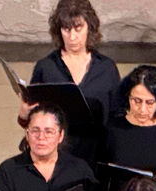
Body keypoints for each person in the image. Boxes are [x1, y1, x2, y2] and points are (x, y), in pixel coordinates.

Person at [19, 0, 121, 167]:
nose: (72, 37)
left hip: (96, 156)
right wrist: (24, 115)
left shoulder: (106, 68)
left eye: (78, 28)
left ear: (90, 27)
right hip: (57, 157)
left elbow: (116, 118)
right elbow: (34, 119)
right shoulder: (46, 67)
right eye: (66, 29)